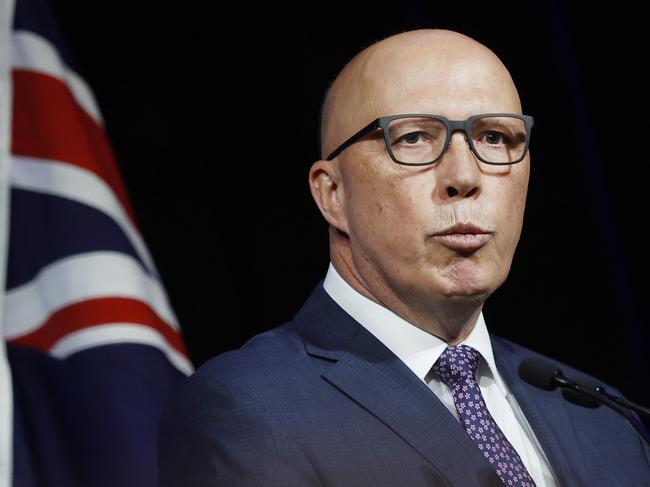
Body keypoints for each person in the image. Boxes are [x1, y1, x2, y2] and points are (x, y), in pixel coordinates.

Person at [158, 29, 650, 486]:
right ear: (332, 193)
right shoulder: (248, 408)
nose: (465, 175)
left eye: (494, 138)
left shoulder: (601, 414)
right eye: (414, 138)